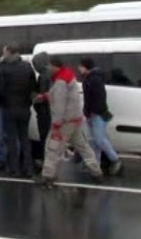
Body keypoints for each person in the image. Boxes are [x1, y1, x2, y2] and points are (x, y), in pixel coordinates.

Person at [40, 57, 104, 188]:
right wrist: (47, 96)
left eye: (49, 67)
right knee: (83, 147)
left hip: (64, 121)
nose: (47, 70)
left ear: (54, 66)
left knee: (52, 147)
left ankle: (48, 177)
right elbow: (65, 96)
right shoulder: (68, 76)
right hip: (75, 119)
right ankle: (96, 172)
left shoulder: (59, 82)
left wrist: (57, 123)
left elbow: (60, 103)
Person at [0, 44, 37, 178]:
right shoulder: (27, 67)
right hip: (24, 107)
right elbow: (33, 86)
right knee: (25, 138)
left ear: (9, 52)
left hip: (9, 108)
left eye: (5, 52)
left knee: (12, 139)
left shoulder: (4, 68)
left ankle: (14, 168)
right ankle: (28, 168)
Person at [79, 58, 122, 176]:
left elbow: (97, 98)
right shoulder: (92, 78)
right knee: (94, 140)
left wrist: (92, 112)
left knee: (99, 139)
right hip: (94, 113)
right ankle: (95, 165)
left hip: (96, 114)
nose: (79, 69)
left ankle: (114, 159)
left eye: (81, 66)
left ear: (85, 67)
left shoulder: (93, 79)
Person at [31, 52, 52, 166]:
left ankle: (47, 161)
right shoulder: (48, 73)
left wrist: (38, 98)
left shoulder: (45, 75)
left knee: (46, 136)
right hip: (47, 110)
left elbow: (46, 93)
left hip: (45, 111)